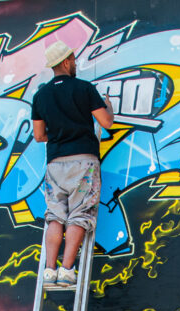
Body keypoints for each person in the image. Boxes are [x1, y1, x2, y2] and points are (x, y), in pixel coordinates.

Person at [31, 41, 114, 285]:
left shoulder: (40, 96)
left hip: (55, 163)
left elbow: (39, 136)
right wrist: (108, 106)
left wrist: (58, 136)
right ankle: (67, 269)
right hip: (83, 162)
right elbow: (106, 122)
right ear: (66, 62)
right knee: (80, 214)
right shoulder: (84, 89)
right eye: (74, 59)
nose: (76, 63)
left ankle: (49, 269)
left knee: (55, 216)